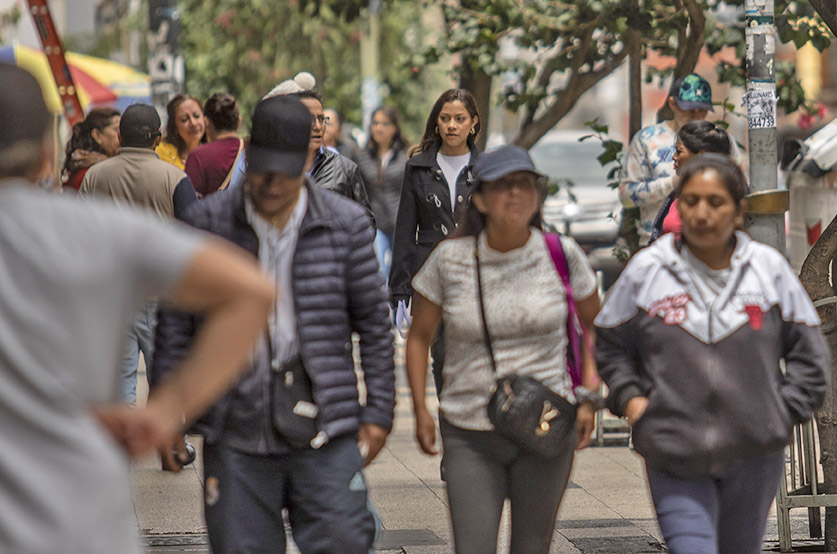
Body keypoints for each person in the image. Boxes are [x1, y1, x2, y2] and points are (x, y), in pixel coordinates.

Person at [0, 62, 274, 554]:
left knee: (126, 377)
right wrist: (167, 410)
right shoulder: (101, 224)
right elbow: (249, 292)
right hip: (82, 528)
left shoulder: (93, 187)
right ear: (45, 154)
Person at [152, 94, 396, 554]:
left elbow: (374, 325)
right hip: (235, 423)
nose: (269, 185)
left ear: (309, 155)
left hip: (324, 418)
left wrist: (379, 410)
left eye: (283, 172)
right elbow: (177, 326)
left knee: (343, 540)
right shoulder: (207, 225)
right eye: (260, 169)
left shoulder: (344, 226)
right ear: (248, 151)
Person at [595, 153, 829, 554]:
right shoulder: (647, 270)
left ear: (739, 211)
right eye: (691, 200)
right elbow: (610, 344)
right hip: (672, 451)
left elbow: (811, 358)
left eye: (716, 202)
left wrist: (781, 413)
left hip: (754, 455)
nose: (702, 212)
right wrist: (631, 399)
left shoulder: (767, 270)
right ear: (678, 206)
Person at [405, 146, 601, 554]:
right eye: (504, 186)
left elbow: (594, 326)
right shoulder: (449, 260)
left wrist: (589, 397)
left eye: (526, 185)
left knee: (532, 546)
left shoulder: (561, 254)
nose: (516, 194)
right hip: (468, 429)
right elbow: (420, 336)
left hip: (547, 422)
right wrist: (422, 409)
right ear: (479, 199)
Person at [80, 103, 199, 406]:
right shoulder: (175, 179)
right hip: (162, 296)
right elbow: (192, 235)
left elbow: (82, 235)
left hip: (112, 294)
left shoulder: (94, 177)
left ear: (120, 137)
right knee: (166, 379)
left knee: (120, 385)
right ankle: (171, 448)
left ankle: (121, 450)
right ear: (158, 138)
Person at [390, 88, 482, 392]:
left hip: (477, 273)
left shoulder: (486, 170)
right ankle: (450, 418)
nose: (452, 125)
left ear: (473, 123)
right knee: (441, 355)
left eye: (459, 119)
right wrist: (399, 292)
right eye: (445, 119)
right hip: (431, 274)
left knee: (476, 351)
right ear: (437, 123)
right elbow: (405, 230)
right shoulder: (417, 167)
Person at [228, 73, 374, 224]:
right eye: (310, 119)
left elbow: (365, 222)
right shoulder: (259, 164)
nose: (317, 127)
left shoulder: (344, 168)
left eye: (321, 119)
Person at [619, 73, 714, 248]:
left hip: (709, 242)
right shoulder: (647, 140)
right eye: (688, 110)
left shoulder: (718, 139)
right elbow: (626, 196)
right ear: (672, 104)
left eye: (701, 110)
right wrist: (673, 183)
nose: (695, 116)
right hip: (655, 241)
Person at [649, 120, 733, 242]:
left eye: (679, 151)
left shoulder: (728, 194)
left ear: (700, 156)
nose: (674, 156)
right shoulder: (676, 194)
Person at [355, 105, 410, 277]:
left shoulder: (405, 156)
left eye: (385, 124)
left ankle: (396, 304)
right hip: (374, 223)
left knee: (399, 270)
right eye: (375, 123)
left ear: (394, 128)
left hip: (400, 222)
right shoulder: (361, 155)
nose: (379, 128)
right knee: (379, 270)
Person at [185, 92, 243, 197]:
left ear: (206, 122)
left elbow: (190, 204)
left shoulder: (198, 157)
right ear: (239, 121)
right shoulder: (250, 151)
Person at [60, 106, 120, 191]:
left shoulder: (93, 169)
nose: (121, 135)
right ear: (97, 135)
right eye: (117, 130)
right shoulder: (93, 174)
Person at [156, 93, 207, 170]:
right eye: (184, 119)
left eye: (196, 116)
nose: (193, 123)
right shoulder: (161, 154)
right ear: (174, 127)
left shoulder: (215, 151)